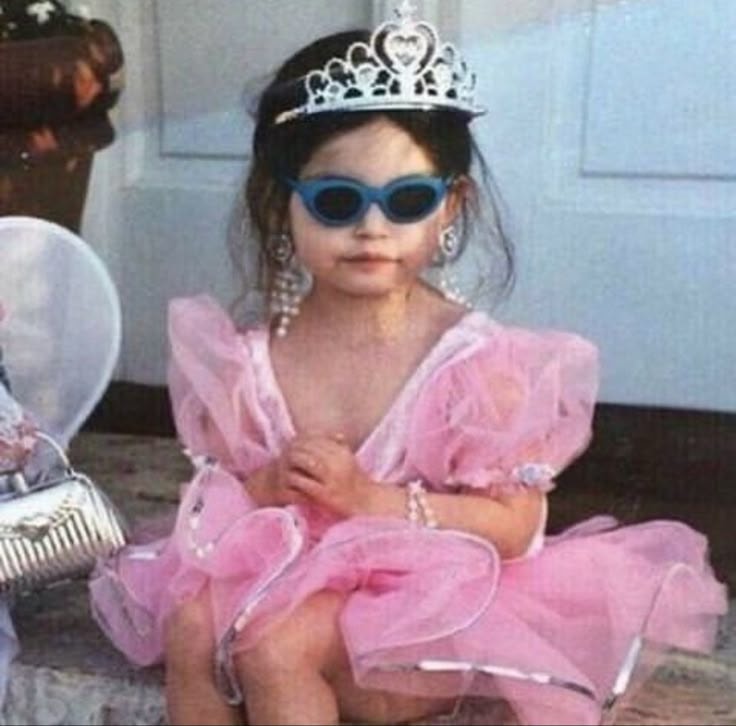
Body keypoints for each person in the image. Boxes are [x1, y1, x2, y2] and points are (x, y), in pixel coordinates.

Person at [89, 3, 728, 725]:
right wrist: (268, 484)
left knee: (273, 646)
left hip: (421, 607)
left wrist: (370, 500)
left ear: (451, 206)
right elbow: (226, 497)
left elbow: (516, 528)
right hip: (289, 575)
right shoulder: (248, 362)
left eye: (408, 200)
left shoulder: (473, 366)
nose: (373, 228)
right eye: (337, 201)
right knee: (191, 625)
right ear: (280, 201)